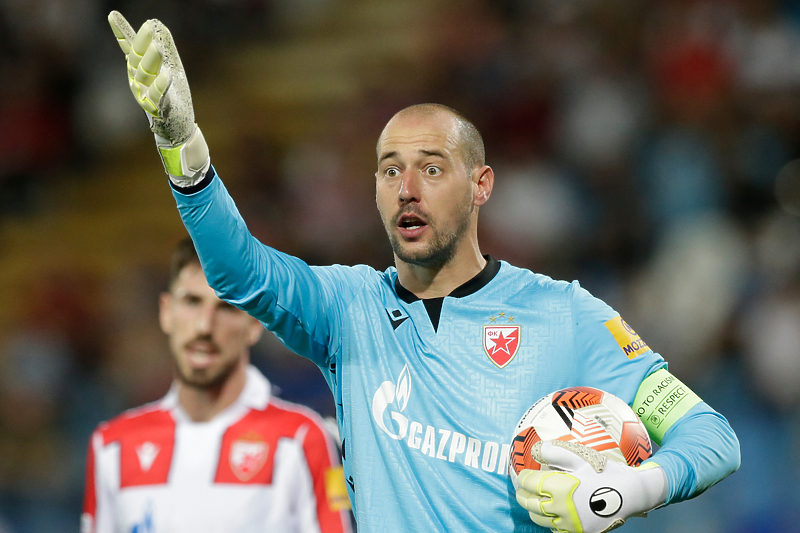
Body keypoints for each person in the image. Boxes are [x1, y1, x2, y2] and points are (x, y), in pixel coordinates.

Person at [106, 11, 741, 533]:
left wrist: (629, 488)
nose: (407, 188)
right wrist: (183, 151)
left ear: (481, 185)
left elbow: (713, 436)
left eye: (433, 168)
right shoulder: (346, 309)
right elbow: (239, 271)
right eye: (389, 169)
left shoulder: (565, 313)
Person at [81, 237, 353, 533]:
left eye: (225, 307)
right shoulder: (112, 446)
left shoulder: (302, 439)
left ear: (254, 323)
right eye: (191, 302)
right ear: (166, 311)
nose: (204, 327)